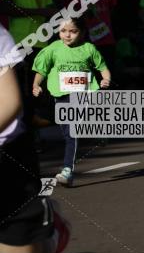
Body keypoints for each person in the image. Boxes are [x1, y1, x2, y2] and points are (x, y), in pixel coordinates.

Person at [0, 0, 70, 253]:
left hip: (6, 155)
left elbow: (7, 102)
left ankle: (47, 224)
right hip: (26, 40)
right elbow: (9, 3)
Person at [32, 16, 111, 187]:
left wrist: (106, 80)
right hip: (61, 95)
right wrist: (36, 84)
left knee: (71, 132)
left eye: (73, 31)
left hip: (82, 95)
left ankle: (67, 169)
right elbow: (41, 69)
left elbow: (103, 68)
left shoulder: (88, 49)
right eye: (63, 31)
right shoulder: (53, 49)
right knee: (67, 132)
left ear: (82, 33)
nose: (67, 35)